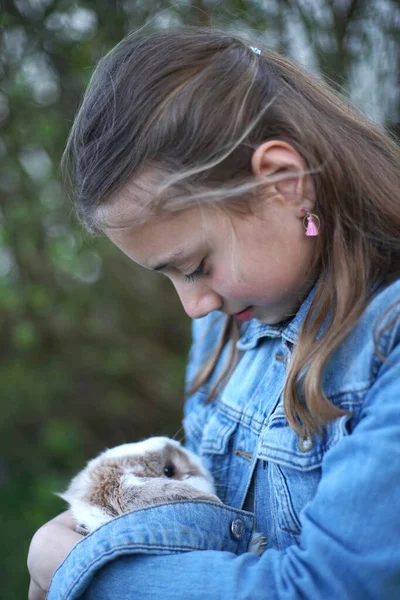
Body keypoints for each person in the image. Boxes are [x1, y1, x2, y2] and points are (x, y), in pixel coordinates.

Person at [27, 27, 400, 599]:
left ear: (283, 184)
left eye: (196, 265)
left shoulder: (387, 342)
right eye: (171, 276)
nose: (195, 306)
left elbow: (332, 586)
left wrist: (89, 570)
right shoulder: (229, 329)